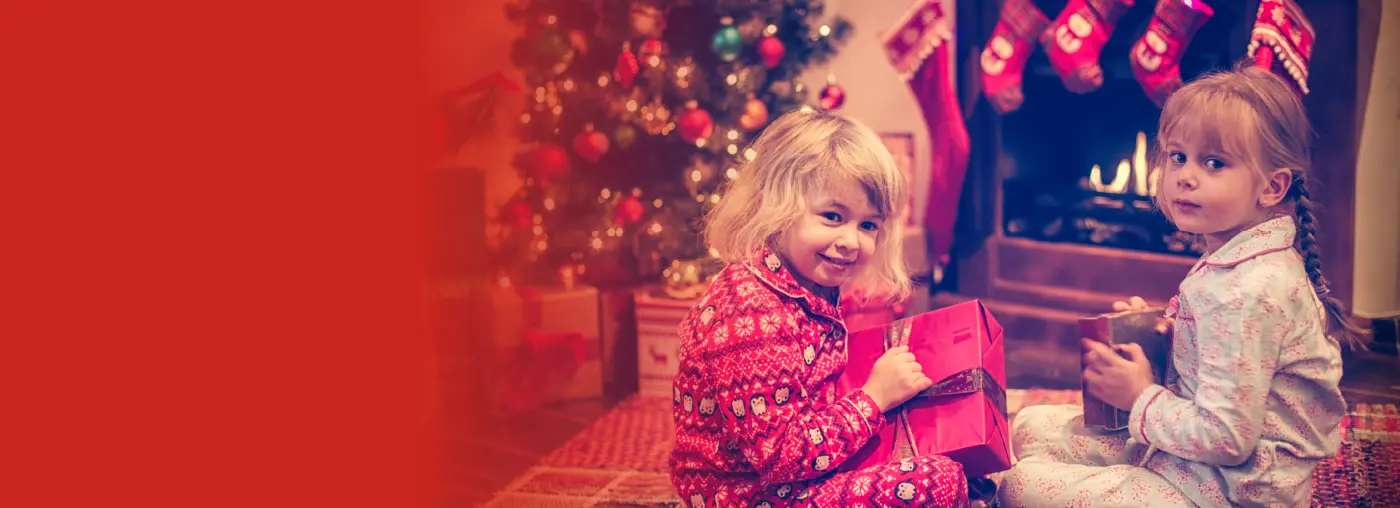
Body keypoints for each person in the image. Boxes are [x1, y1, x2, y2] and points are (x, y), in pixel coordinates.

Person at [998, 63, 1370, 507]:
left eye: (1214, 163)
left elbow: (1228, 439)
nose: (1185, 176)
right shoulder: (1240, 258)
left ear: (1271, 187)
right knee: (1028, 427)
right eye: (1178, 157)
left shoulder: (1247, 293)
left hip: (1231, 488)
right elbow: (1227, 365)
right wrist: (1170, 337)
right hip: (1185, 451)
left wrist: (1140, 396)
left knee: (1020, 485)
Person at [667, 108, 972, 506]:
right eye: (833, 216)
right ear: (778, 206)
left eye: (868, 225)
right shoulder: (748, 311)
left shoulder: (805, 286)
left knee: (954, 459)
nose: (851, 240)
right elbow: (781, 459)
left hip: (805, 467)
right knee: (936, 481)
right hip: (744, 494)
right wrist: (874, 398)